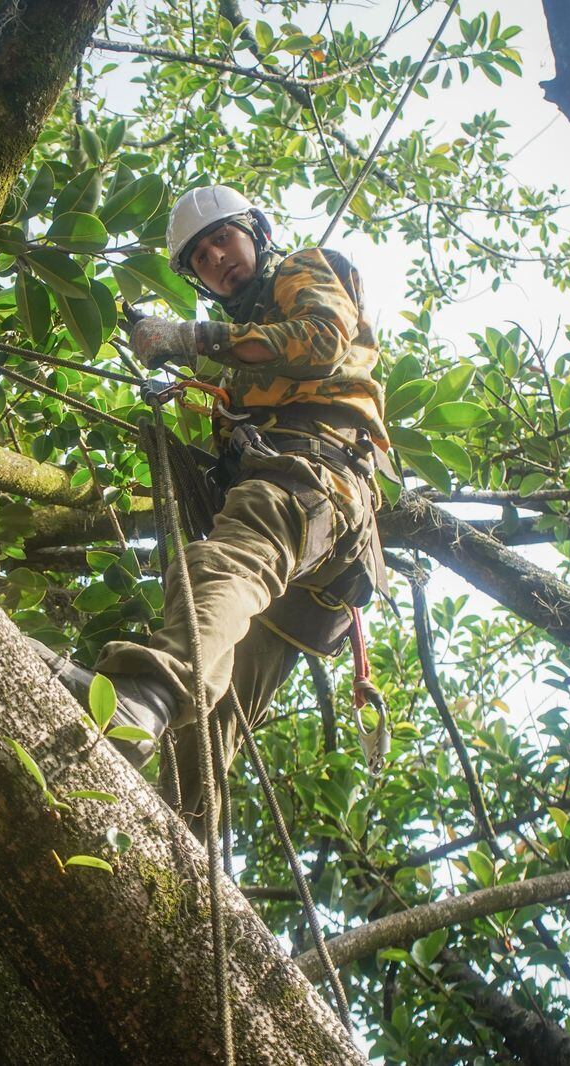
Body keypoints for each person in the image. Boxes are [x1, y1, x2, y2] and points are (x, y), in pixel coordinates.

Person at [34, 184, 391, 807]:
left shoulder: (304, 270)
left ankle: (144, 693)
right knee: (208, 724)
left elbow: (322, 339)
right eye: (200, 256)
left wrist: (193, 338)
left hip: (312, 481)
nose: (217, 259)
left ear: (256, 231)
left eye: (223, 238)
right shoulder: (237, 351)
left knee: (218, 566)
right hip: (309, 578)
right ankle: (184, 853)